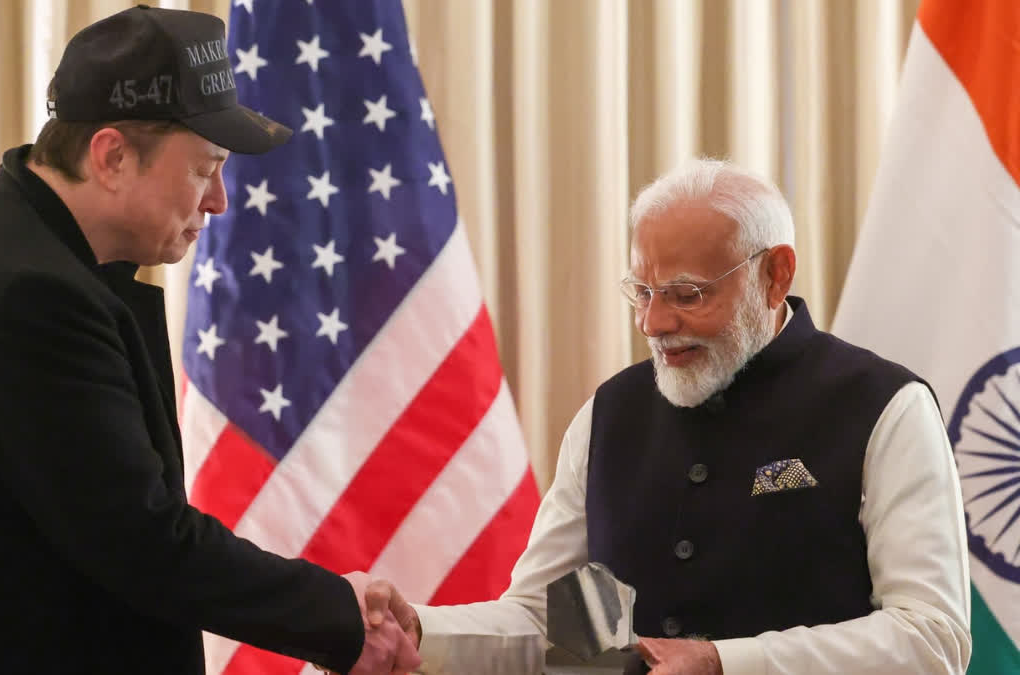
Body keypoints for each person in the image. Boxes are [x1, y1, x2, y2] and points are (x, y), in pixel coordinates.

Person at [0, 7, 419, 675]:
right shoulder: (27, 296)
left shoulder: (29, 256)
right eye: (205, 168)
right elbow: (144, 543)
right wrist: (335, 613)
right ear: (111, 156)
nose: (219, 201)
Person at [384, 159, 972, 674]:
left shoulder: (884, 406)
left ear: (775, 275)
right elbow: (552, 626)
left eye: (686, 295)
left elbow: (932, 639)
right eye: (642, 291)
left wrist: (727, 664)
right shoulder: (609, 415)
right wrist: (418, 634)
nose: (653, 323)